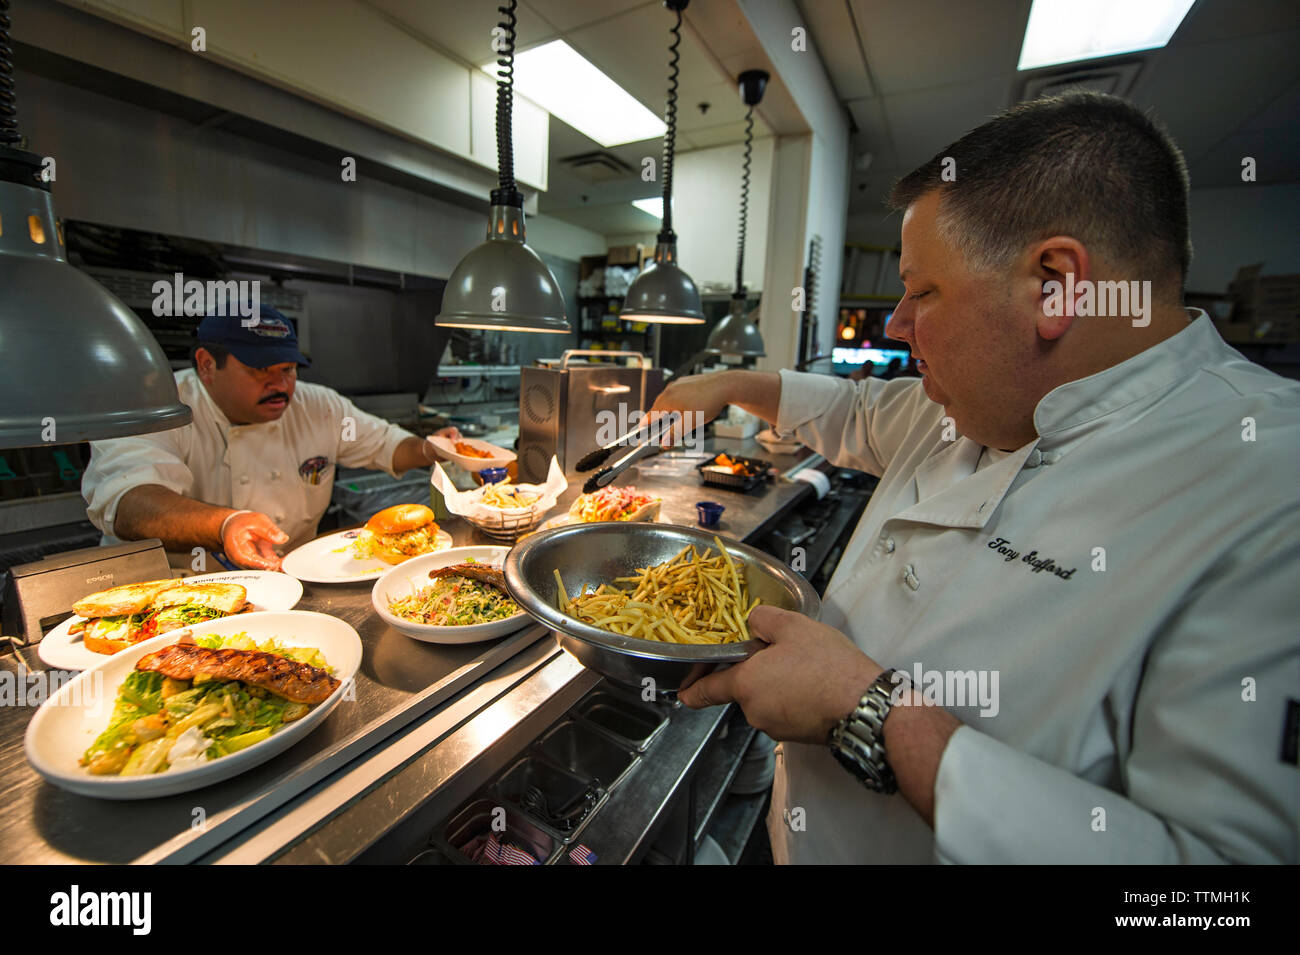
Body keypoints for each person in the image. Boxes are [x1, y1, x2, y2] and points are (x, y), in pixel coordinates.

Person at [650, 92, 1299, 864]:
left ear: (1055, 284)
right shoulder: (971, 397)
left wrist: (871, 710)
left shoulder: (1267, 481)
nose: (893, 324)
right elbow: (856, 409)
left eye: (922, 292)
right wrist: (735, 384)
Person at [82, 306, 460, 571]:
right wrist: (225, 524)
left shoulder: (319, 406)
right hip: (169, 596)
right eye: (260, 370)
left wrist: (429, 448)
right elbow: (131, 501)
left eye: (288, 369)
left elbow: (389, 446)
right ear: (207, 366)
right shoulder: (157, 406)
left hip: (283, 585)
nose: (280, 385)